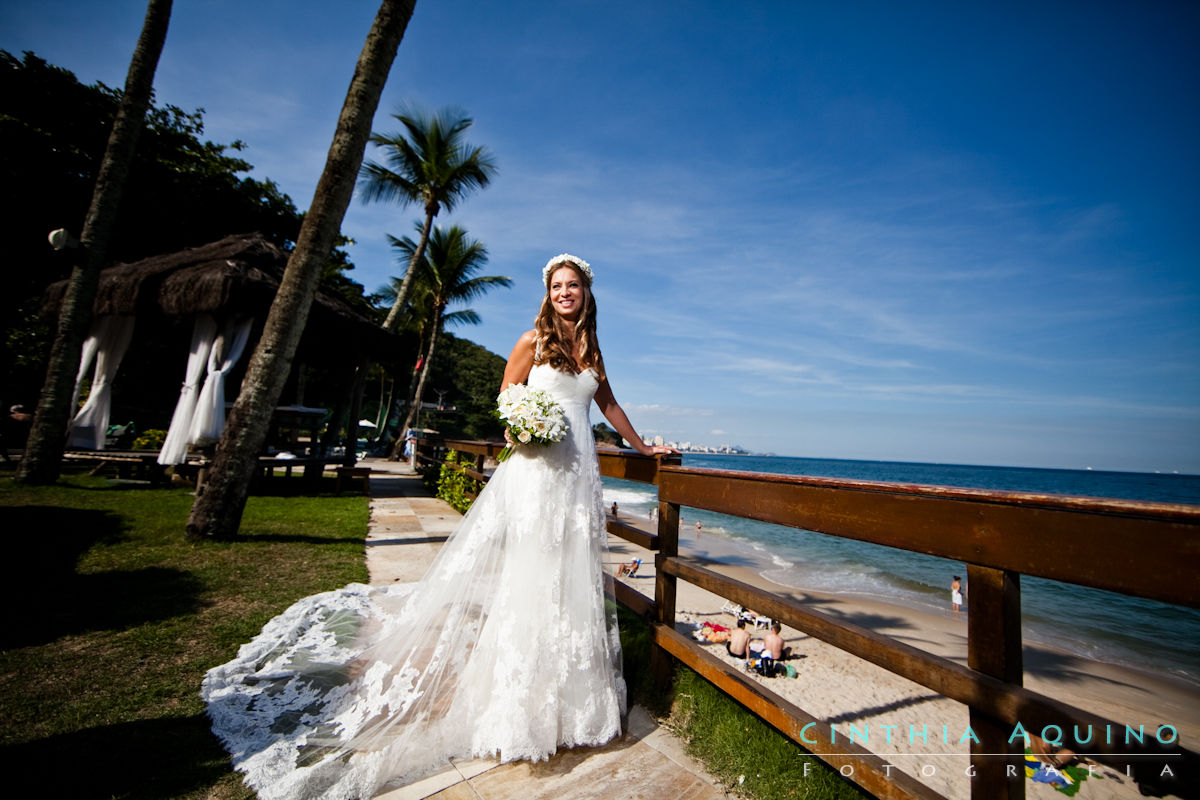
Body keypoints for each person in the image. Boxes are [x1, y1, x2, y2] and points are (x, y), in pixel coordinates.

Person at [201, 254, 675, 799]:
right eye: (557, 286)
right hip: (537, 477)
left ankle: (571, 709)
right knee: (530, 581)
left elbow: (608, 404)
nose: (566, 293)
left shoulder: (592, 349)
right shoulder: (531, 341)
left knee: (570, 585)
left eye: (574, 286)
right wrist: (525, 430)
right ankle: (516, 711)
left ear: (587, 293)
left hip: (576, 483)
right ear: (548, 293)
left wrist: (643, 447)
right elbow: (506, 395)